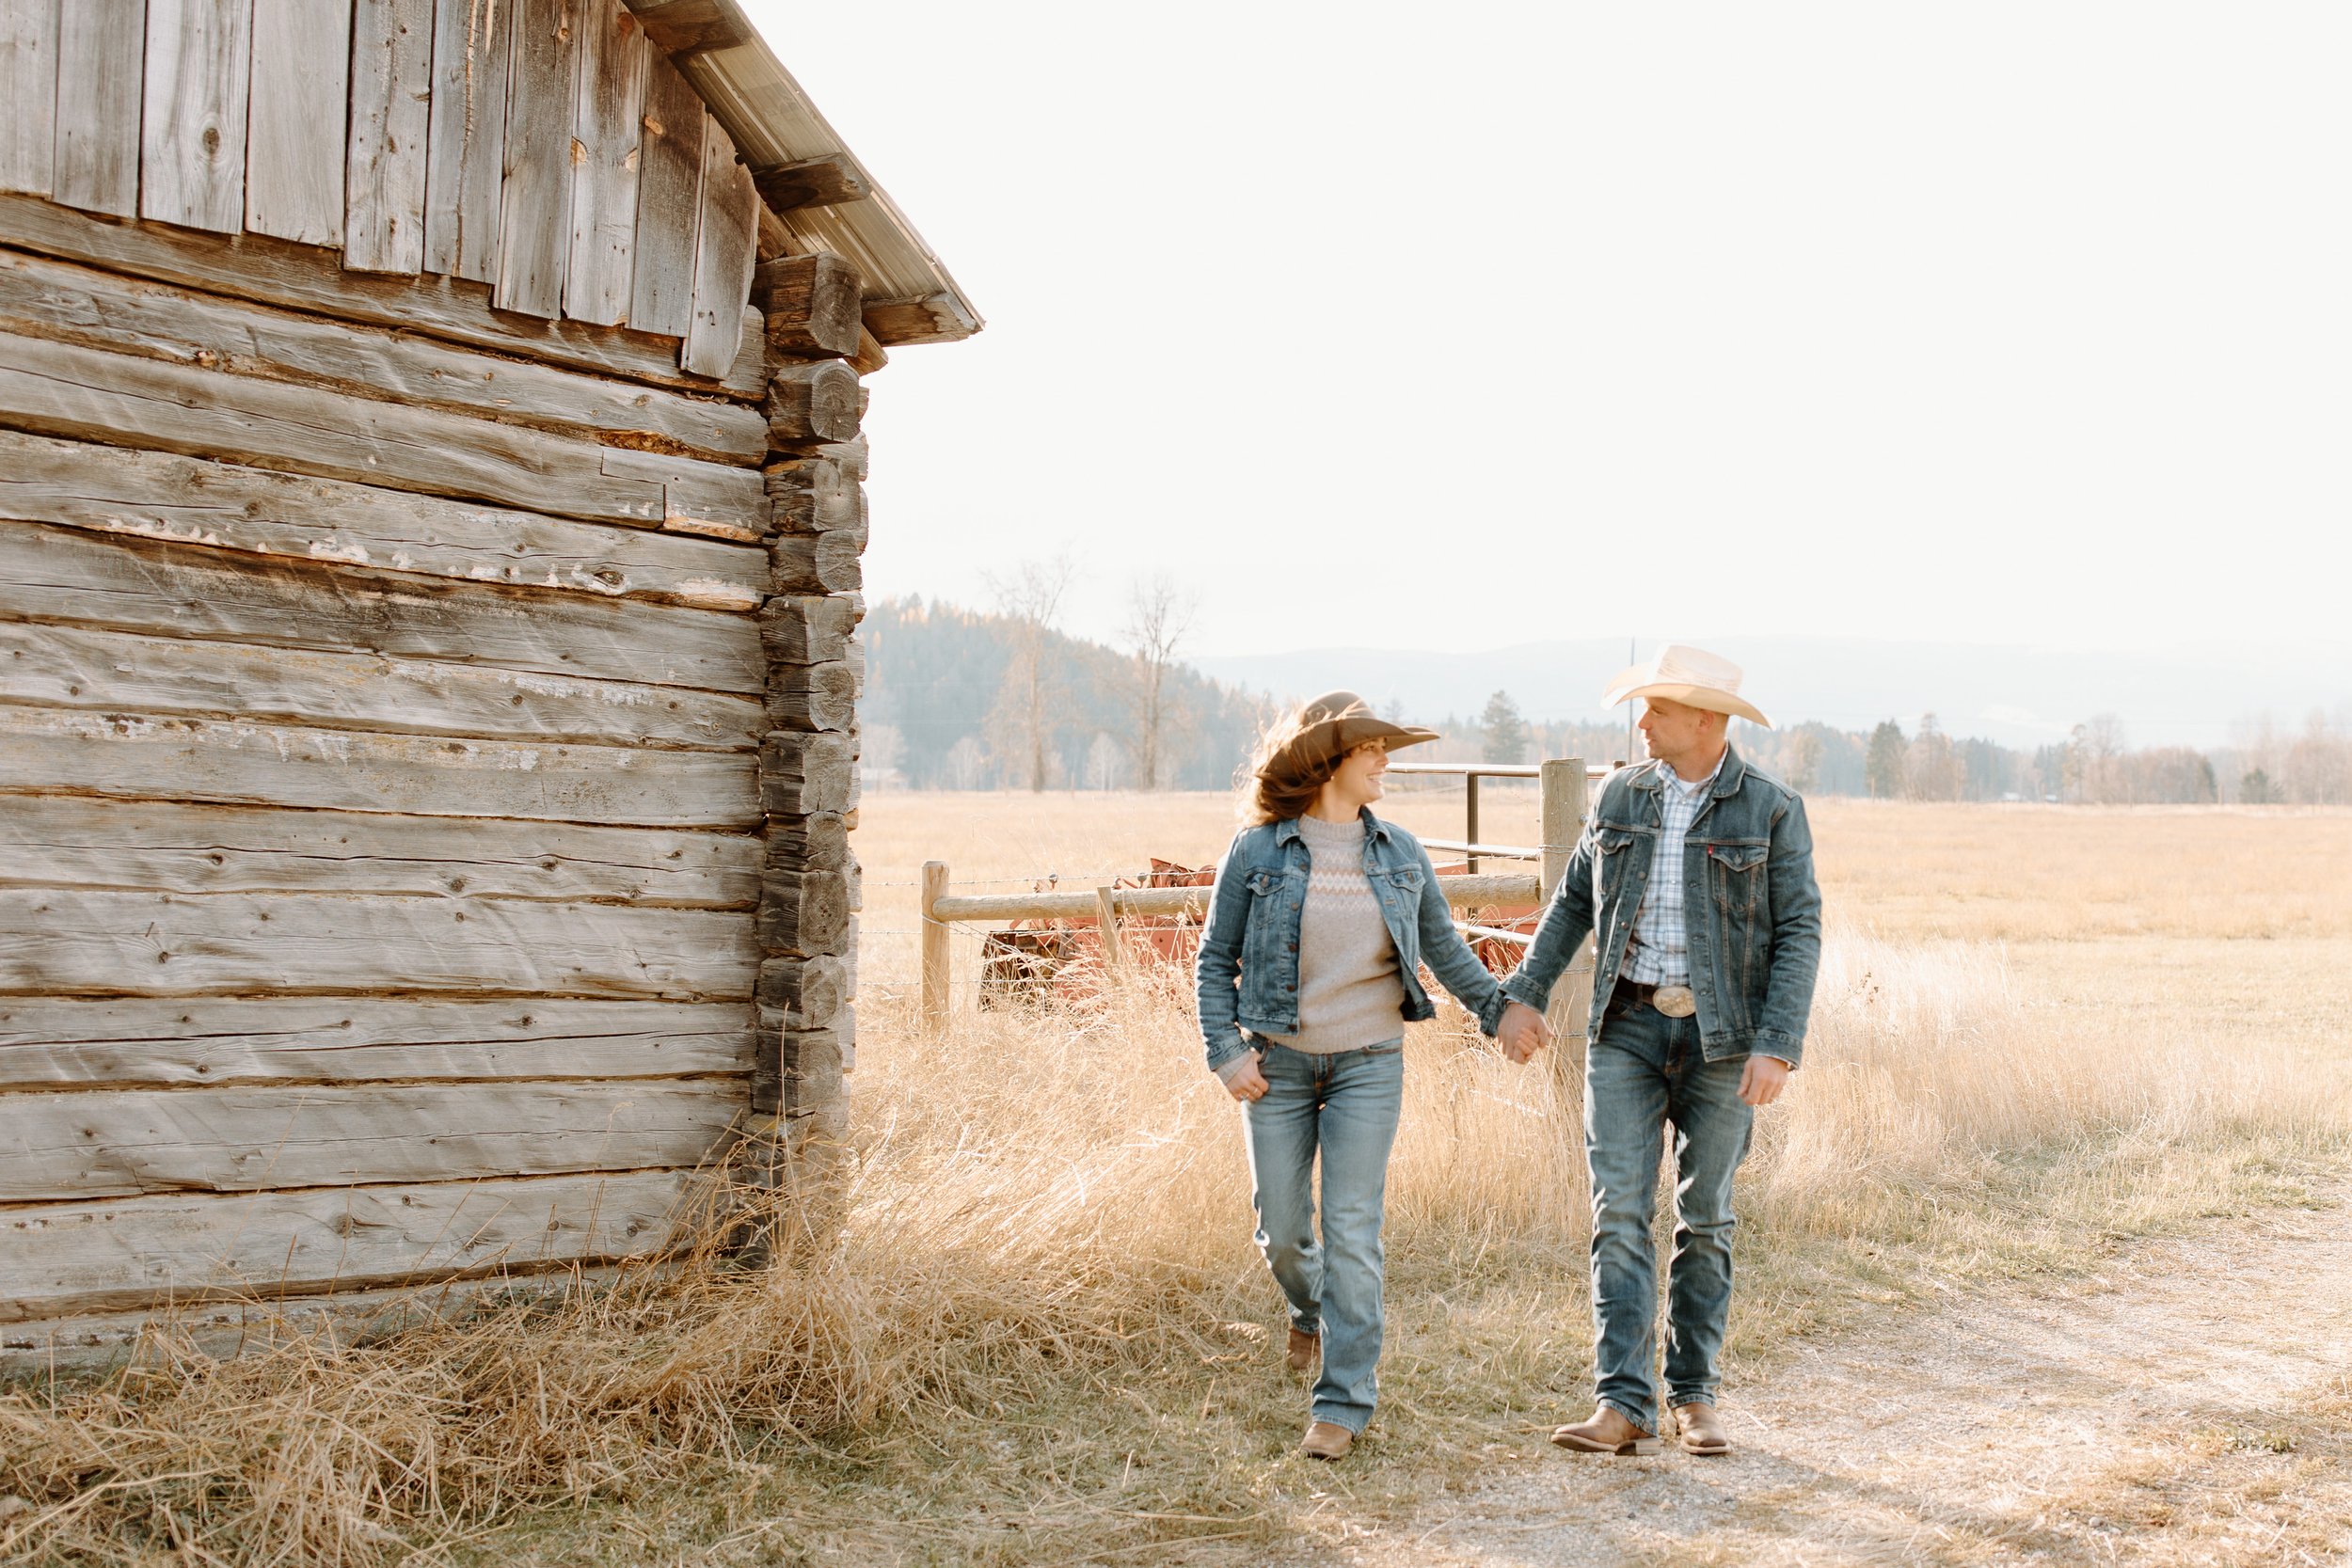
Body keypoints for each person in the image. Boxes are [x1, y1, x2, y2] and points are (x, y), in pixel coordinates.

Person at [1195, 690, 1543, 1461]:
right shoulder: (1256, 851)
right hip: (1277, 1064)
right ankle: (1312, 1312)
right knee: (1285, 1232)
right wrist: (1226, 1052)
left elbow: (1446, 949)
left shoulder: (1400, 851)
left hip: (1368, 1065)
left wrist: (1501, 1012)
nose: (1387, 761)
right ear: (1331, 759)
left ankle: (1344, 1401)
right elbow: (1215, 960)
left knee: (1352, 1230)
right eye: (1373, 749)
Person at [1496, 644, 1820, 1458]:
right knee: (1620, 1214)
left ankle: (1695, 1396)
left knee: (1705, 1217)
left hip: (1724, 1039)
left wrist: (1777, 1044)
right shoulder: (1619, 795)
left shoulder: (1772, 810)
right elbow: (1573, 900)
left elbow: (1800, 931)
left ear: (1706, 721)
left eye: (1659, 710)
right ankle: (1623, 1403)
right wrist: (1524, 995)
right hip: (1627, 1030)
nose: (1642, 722)